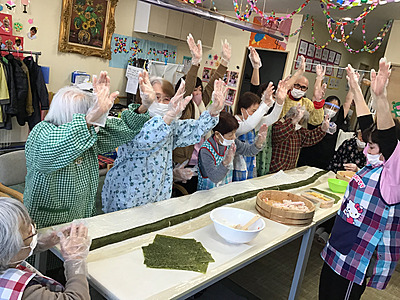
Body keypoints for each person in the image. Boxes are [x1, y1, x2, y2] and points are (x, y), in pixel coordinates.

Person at [24, 71, 151, 228]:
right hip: (49, 219)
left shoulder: (89, 132)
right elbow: (47, 155)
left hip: (83, 215)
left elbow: (124, 129)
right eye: (90, 113)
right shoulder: (43, 131)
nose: (97, 119)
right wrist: (88, 120)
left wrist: (144, 107)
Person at [319, 58, 400, 299]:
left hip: (357, 259)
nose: (366, 150)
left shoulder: (393, 173)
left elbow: (386, 137)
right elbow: (369, 130)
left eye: (372, 147)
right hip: (340, 245)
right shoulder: (376, 163)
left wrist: (381, 98)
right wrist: (355, 88)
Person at [101, 75, 225, 212]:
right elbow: (145, 141)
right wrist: (168, 118)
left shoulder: (170, 126)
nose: (160, 103)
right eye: (156, 97)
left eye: (166, 99)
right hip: (127, 197)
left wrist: (213, 112)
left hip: (157, 198)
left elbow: (194, 129)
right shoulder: (131, 123)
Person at [172, 35, 231, 193]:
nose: (197, 93)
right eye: (194, 90)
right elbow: (188, 88)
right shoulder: (183, 106)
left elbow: (212, 84)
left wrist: (224, 62)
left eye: (199, 89)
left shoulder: (203, 103)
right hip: (182, 163)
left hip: (200, 162)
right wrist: (195, 63)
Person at [0, 197, 91, 300]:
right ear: (11, 252)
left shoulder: (4, 256)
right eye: (30, 233)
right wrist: (75, 260)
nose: (33, 229)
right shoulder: (26, 294)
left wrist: (40, 244)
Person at [297, 70, 353, 170]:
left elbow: (347, 103)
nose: (331, 110)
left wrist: (353, 85)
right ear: (323, 105)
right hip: (308, 156)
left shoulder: (337, 119)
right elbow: (316, 96)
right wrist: (319, 78)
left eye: (335, 108)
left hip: (325, 159)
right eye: (328, 106)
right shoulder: (316, 115)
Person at [197, 111, 268, 190]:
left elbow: (248, 151)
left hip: (226, 190)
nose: (234, 137)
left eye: (234, 133)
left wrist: (259, 142)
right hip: (207, 195)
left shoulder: (231, 142)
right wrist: (226, 162)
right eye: (230, 135)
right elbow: (214, 177)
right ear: (217, 134)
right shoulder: (205, 151)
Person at [233, 79, 288, 181]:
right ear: (242, 110)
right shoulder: (234, 124)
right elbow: (248, 125)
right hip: (235, 168)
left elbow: (273, 118)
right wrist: (266, 102)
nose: (256, 115)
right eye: (253, 111)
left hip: (250, 166)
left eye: (256, 111)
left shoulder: (254, 122)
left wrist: (279, 102)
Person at [269, 104, 329, 173]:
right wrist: (293, 122)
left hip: (290, 170)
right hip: (275, 170)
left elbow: (310, 137)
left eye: (301, 122)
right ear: (291, 116)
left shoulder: (299, 131)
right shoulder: (278, 125)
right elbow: (280, 134)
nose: (300, 124)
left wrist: (322, 129)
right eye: (299, 121)